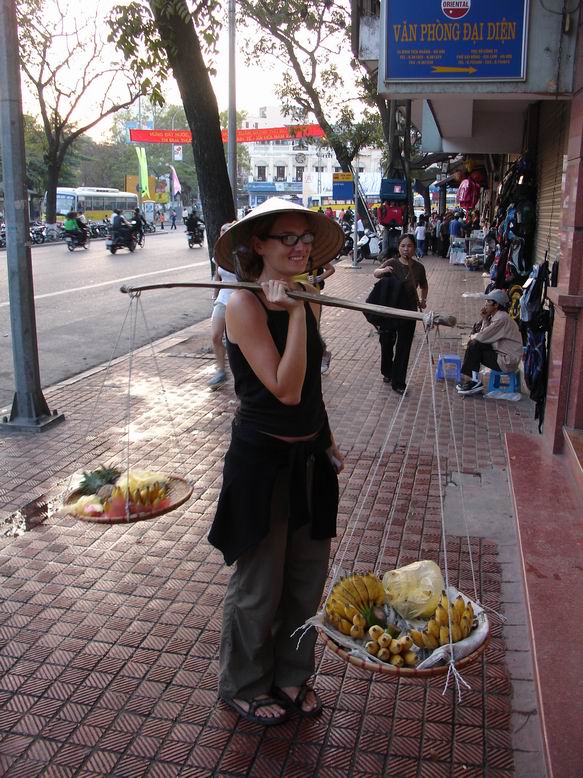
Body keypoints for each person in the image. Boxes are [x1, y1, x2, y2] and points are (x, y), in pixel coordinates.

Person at [209, 198, 344, 726]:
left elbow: (310, 386)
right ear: (257, 246)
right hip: (262, 461)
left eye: (305, 238)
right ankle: (241, 682)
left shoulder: (305, 297)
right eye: (287, 237)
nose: (299, 246)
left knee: (306, 577)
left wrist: (327, 438)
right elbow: (285, 391)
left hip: (308, 458)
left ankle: (292, 673)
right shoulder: (245, 305)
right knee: (259, 583)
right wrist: (290, 313)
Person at [371, 233, 429, 394]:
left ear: (414, 248)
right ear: (398, 247)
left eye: (409, 246)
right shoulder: (391, 262)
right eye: (403, 246)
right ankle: (387, 372)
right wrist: (383, 271)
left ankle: (398, 382)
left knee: (404, 347)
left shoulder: (419, 268)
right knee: (387, 342)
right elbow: (375, 272)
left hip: (409, 311)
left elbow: (424, 286)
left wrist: (423, 300)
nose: (406, 249)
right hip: (389, 310)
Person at [457, 289, 523, 395]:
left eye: (488, 301)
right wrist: (485, 319)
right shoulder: (497, 317)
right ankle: (471, 380)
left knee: (474, 345)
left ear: (496, 305)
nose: (485, 304)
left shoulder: (502, 319)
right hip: (500, 353)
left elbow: (482, 337)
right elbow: (484, 335)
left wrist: (471, 337)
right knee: (474, 346)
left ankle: (472, 381)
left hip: (506, 361)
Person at [208, 222, 238, 389]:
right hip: (223, 298)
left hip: (240, 300)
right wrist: (214, 296)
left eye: (228, 232)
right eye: (222, 232)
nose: (225, 235)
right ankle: (220, 370)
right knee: (215, 336)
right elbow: (217, 276)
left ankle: (242, 372)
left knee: (237, 340)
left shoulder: (242, 253)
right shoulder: (219, 254)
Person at [293, 262, 336, 374]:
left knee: (312, 330)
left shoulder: (316, 256)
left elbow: (330, 269)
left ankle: (323, 354)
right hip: (292, 298)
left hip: (312, 298)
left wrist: (317, 278)